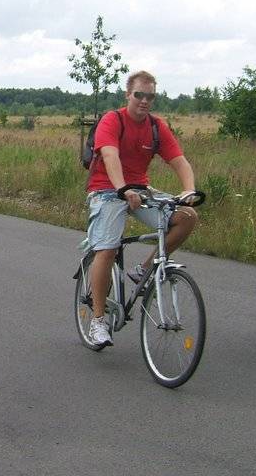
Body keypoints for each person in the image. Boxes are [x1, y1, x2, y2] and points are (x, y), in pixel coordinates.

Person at [84, 70, 199, 348]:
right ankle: (98, 321)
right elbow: (110, 155)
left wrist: (188, 190)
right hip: (106, 189)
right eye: (139, 95)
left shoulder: (156, 126)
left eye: (150, 96)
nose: (144, 101)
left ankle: (144, 269)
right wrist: (123, 189)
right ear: (128, 94)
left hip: (141, 190)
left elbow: (180, 162)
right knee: (108, 249)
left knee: (186, 217)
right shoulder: (113, 120)